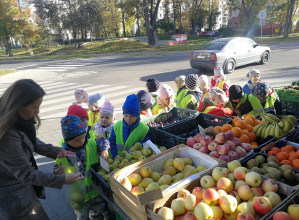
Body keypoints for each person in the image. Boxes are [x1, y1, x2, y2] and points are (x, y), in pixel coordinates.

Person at [0, 79, 83, 220]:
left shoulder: (19, 119)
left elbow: (30, 141)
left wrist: (55, 151)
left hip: (24, 189)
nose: (37, 111)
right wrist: (62, 179)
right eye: (34, 107)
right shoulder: (7, 135)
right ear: (18, 105)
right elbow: (27, 174)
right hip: (14, 198)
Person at [55, 115, 110, 220]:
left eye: (83, 137)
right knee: (82, 217)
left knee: (97, 215)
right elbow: (56, 169)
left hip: (94, 191)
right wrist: (57, 172)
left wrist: (104, 149)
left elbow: (104, 140)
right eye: (76, 140)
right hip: (78, 196)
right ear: (67, 141)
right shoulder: (62, 154)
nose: (81, 142)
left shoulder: (91, 144)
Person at [109, 94, 150, 158]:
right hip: (118, 159)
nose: (128, 119)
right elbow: (112, 142)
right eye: (126, 116)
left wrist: (139, 145)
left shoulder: (144, 129)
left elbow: (147, 143)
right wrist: (115, 156)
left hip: (134, 160)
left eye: (132, 116)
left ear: (137, 115)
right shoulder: (116, 126)